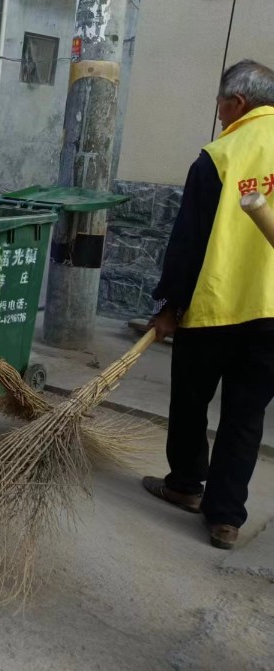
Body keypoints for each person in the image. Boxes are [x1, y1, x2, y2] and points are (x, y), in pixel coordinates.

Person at [142, 59, 274, 550]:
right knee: (246, 415)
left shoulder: (219, 155)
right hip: (272, 316)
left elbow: (190, 242)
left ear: (237, 102)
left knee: (192, 399)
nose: (218, 113)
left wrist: (171, 307)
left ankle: (184, 485)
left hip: (215, 307)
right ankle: (225, 518)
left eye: (220, 103)